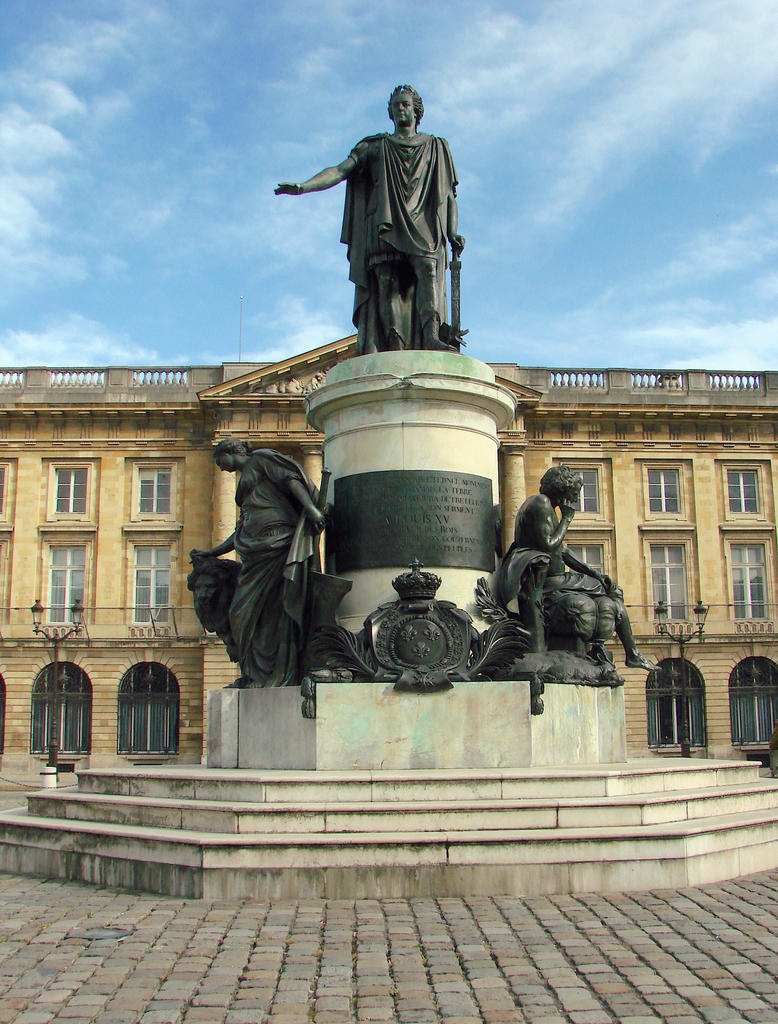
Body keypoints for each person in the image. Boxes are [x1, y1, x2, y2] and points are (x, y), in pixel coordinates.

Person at [275, 84, 465, 354]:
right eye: (396, 105)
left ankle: (431, 335)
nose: (401, 109)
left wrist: (453, 231)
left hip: (423, 223)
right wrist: (304, 186)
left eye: (406, 104)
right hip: (384, 222)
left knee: (427, 270)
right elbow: (341, 170)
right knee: (387, 283)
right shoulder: (375, 147)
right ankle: (394, 347)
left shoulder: (435, 147)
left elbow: (448, 195)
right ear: (390, 112)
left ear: (416, 110)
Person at [190, 441, 325, 687]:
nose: (220, 468)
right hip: (257, 552)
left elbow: (290, 480)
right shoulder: (246, 485)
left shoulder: (261, 458)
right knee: (244, 613)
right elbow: (240, 531)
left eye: (220, 461)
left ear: (230, 453)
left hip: (277, 544)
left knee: (271, 610)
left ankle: (275, 673)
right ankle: (259, 674)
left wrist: (311, 509)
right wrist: (212, 553)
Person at [497, 465, 654, 671]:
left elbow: (561, 552)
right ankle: (630, 653)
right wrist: (567, 518)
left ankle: (614, 650)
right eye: (573, 494)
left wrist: (594, 573)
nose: (574, 500)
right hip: (546, 582)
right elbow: (548, 545)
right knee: (613, 593)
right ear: (562, 490)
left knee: (610, 591)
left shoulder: (545, 507)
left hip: (558, 579)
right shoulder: (540, 504)